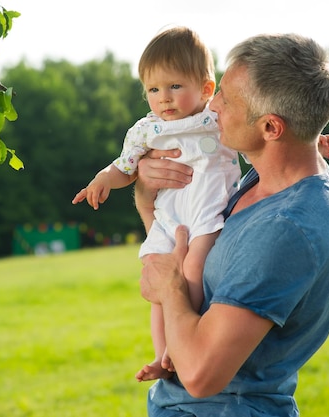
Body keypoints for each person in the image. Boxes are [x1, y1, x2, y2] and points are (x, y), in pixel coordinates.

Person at [136, 33, 329, 416]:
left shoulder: (285, 229)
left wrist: (170, 292)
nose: (211, 105)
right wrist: (144, 193)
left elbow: (200, 377)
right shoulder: (266, 177)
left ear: (271, 128)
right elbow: (175, 236)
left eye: (227, 100)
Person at [72, 26, 243, 381]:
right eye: (153, 89)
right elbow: (124, 167)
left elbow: (263, 133)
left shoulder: (217, 118)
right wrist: (103, 180)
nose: (163, 98)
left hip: (208, 212)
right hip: (169, 217)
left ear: (206, 88)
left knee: (193, 268)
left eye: (175, 87)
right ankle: (161, 353)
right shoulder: (146, 130)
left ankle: (185, 344)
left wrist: (313, 143)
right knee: (159, 277)